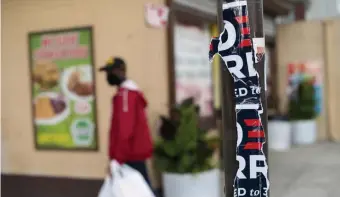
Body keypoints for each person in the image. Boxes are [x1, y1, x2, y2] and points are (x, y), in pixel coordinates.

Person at [99, 57, 153, 186]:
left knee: (138, 191)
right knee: (140, 190)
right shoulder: (126, 94)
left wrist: (117, 159)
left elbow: (125, 130)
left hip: (130, 155)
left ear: (121, 71)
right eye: (107, 72)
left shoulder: (126, 95)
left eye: (111, 72)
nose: (108, 76)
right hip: (131, 154)